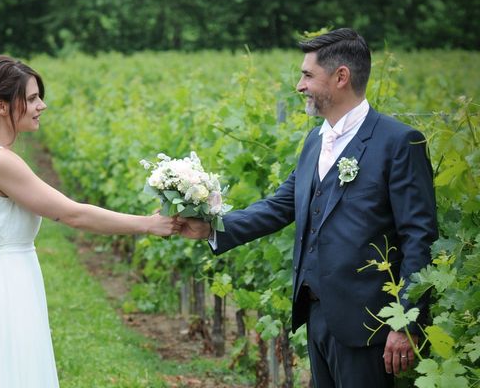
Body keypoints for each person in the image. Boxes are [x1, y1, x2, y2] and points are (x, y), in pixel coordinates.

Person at [177, 28, 438, 387]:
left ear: (341, 77)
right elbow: (280, 206)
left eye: (307, 75)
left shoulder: (398, 142)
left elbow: (419, 237)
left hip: (370, 324)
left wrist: (406, 321)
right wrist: (211, 227)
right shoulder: (315, 139)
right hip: (316, 314)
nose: (299, 85)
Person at [0, 55, 175, 388]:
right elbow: (71, 213)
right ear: (2, 106)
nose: (42, 105)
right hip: (7, 284)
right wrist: (147, 224)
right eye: (33, 98)